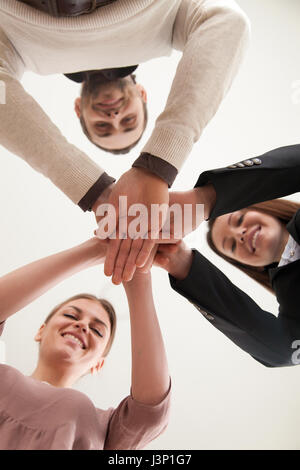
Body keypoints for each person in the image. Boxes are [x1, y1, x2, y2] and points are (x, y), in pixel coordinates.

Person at [0, 0, 250, 282]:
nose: (115, 115)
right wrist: (156, 167)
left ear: (79, 109)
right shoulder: (164, 24)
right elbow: (228, 21)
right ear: (142, 95)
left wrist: (97, 192)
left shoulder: (18, 45)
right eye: (128, 121)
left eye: (103, 126)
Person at [0, 237, 171, 450]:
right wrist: (97, 249)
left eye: (98, 330)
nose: (82, 325)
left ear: (98, 363)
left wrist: (139, 278)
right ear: (40, 332)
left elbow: (150, 411)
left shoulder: (105, 428)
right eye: (71, 316)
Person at [154, 144, 300, 367]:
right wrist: (184, 266)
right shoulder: (293, 298)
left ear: (264, 208)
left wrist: (205, 198)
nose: (240, 235)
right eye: (231, 246)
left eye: (239, 221)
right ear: (252, 266)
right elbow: (283, 350)